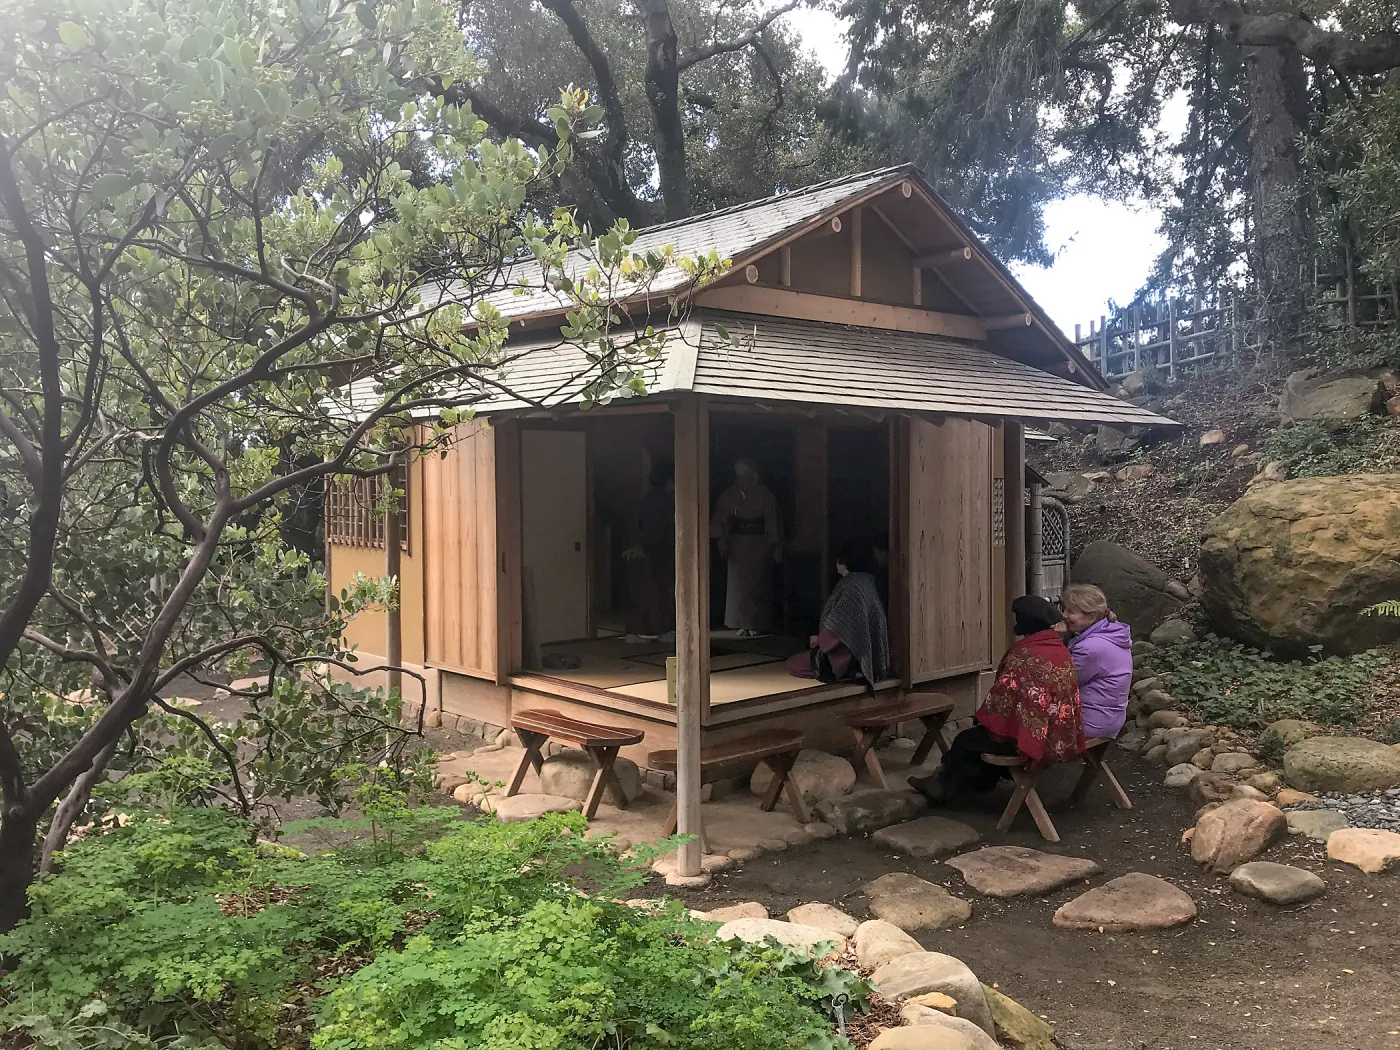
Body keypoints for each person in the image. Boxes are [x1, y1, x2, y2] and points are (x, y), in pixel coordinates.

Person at [909, 595, 1084, 803]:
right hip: (1060, 735)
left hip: (1035, 741)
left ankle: (945, 786)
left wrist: (984, 720)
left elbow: (1001, 702)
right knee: (981, 738)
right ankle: (974, 783)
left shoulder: (1024, 656)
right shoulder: (1060, 651)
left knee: (967, 740)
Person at [786, 540, 891, 685]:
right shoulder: (867, 580)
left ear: (844, 562)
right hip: (865, 650)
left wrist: (819, 640)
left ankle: (850, 669)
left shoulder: (851, 586)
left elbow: (840, 624)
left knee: (793, 664)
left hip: (848, 652)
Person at [711, 457, 782, 637]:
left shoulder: (766, 496)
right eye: (738, 476)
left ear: (754, 476)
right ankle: (740, 623)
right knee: (738, 587)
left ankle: (757, 623)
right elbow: (720, 520)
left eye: (744, 476)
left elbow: (773, 523)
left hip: (759, 543)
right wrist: (722, 540)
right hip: (737, 543)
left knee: (758, 584)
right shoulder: (729, 495)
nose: (740, 480)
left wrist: (774, 546)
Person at [1057, 583, 1133, 740]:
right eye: (1064, 609)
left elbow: (1062, 683)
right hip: (1109, 717)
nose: (1064, 615)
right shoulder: (1112, 632)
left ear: (1091, 617)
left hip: (1091, 721)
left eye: (1071, 611)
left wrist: (1056, 640)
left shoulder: (1091, 648)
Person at [623, 461, 675, 644]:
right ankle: (658, 630)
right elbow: (653, 529)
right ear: (670, 481)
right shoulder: (659, 501)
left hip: (649, 549)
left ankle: (640, 631)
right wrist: (642, 546)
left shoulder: (649, 499)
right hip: (653, 551)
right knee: (655, 592)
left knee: (645, 591)